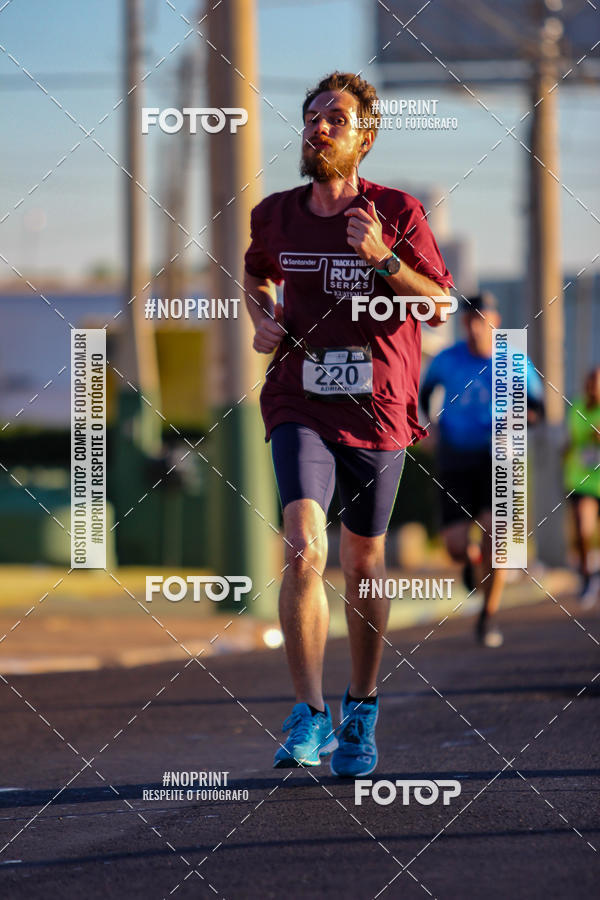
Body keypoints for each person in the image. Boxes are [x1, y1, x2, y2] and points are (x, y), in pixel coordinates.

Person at [243, 71, 454, 777]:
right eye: (311, 116)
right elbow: (257, 271)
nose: (319, 127)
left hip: (381, 410)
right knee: (304, 545)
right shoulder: (275, 213)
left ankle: (360, 706)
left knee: (362, 562)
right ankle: (308, 714)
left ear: (365, 136)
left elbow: (441, 305)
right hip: (299, 399)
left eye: (336, 118)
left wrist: (382, 258)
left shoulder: (396, 210)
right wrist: (261, 316)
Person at [420, 292, 545, 648]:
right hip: (456, 457)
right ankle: (470, 563)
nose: (477, 327)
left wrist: (519, 422)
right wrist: (432, 426)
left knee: (497, 536)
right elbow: (426, 395)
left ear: (496, 321)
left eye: (483, 320)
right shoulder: (447, 359)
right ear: (464, 324)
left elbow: (538, 407)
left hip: (499, 457)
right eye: (471, 321)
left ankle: (488, 617)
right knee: (456, 546)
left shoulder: (514, 360)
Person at [564, 366, 600, 608]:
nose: (593, 388)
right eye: (591, 382)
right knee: (583, 528)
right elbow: (571, 438)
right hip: (582, 479)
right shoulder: (576, 407)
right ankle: (587, 575)